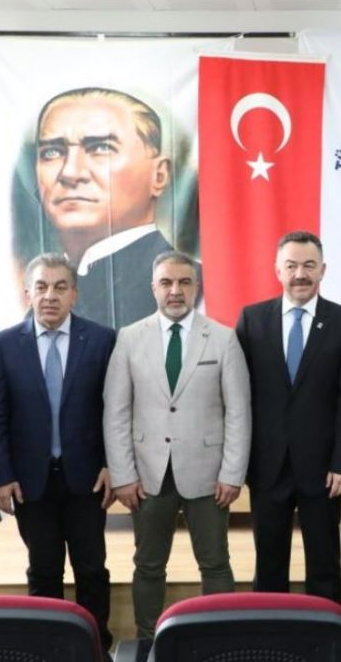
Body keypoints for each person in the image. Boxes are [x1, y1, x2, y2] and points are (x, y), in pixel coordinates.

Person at [103, 251, 251, 657]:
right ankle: (148, 642)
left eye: (184, 282)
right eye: (166, 282)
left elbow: (239, 412)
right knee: (148, 564)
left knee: (215, 562)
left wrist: (233, 473)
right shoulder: (129, 338)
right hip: (147, 475)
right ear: (153, 287)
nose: (175, 290)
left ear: (196, 287)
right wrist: (123, 475)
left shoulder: (222, 338)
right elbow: (116, 412)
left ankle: (219, 642)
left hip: (209, 475)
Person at [0, 253, 116, 656]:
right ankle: (48, 649)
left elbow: (115, 410)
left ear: (74, 294)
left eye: (60, 287)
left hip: (87, 478)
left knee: (91, 568)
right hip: (30, 482)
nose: (50, 296)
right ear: (28, 293)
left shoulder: (102, 340)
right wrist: (1, 476)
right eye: (41, 287)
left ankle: (96, 647)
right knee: (43, 570)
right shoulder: (4, 345)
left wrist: (113, 465)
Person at [235, 231, 341, 605]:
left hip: (323, 469)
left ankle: (328, 632)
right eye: (291, 266)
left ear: (323, 270)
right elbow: (238, 396)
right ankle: (270, 632)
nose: (300, 274)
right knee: (269, 563)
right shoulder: (252, 320)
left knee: (324, 563)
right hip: (267, 465)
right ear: (277, 270)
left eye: (309, 265)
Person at [34, 86, 198, 328]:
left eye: (101, 148)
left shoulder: (192, 288)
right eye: (52, 152)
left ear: (159, 175)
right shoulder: (40, 296)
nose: (70, 172)